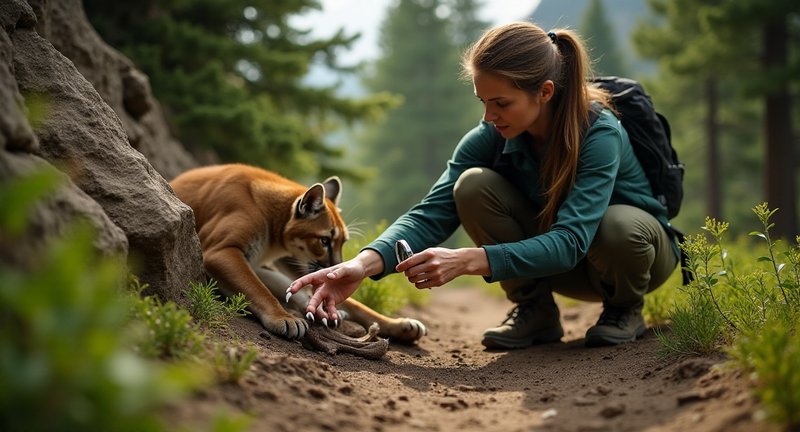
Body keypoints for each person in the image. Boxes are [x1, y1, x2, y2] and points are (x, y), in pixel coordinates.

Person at [287, 22, 680, 349]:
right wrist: (360, 265)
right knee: (471, 186)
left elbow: (572, 241)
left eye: (501, 103)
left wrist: (468, 260)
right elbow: (432, 210)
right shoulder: (492, 134)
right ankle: (536, 312)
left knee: (616, 226)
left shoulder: (600, 133)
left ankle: (624, 310)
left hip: (631, 257)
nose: (489, 116)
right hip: (565, 264)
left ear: (544, 92)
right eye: (483, 102)